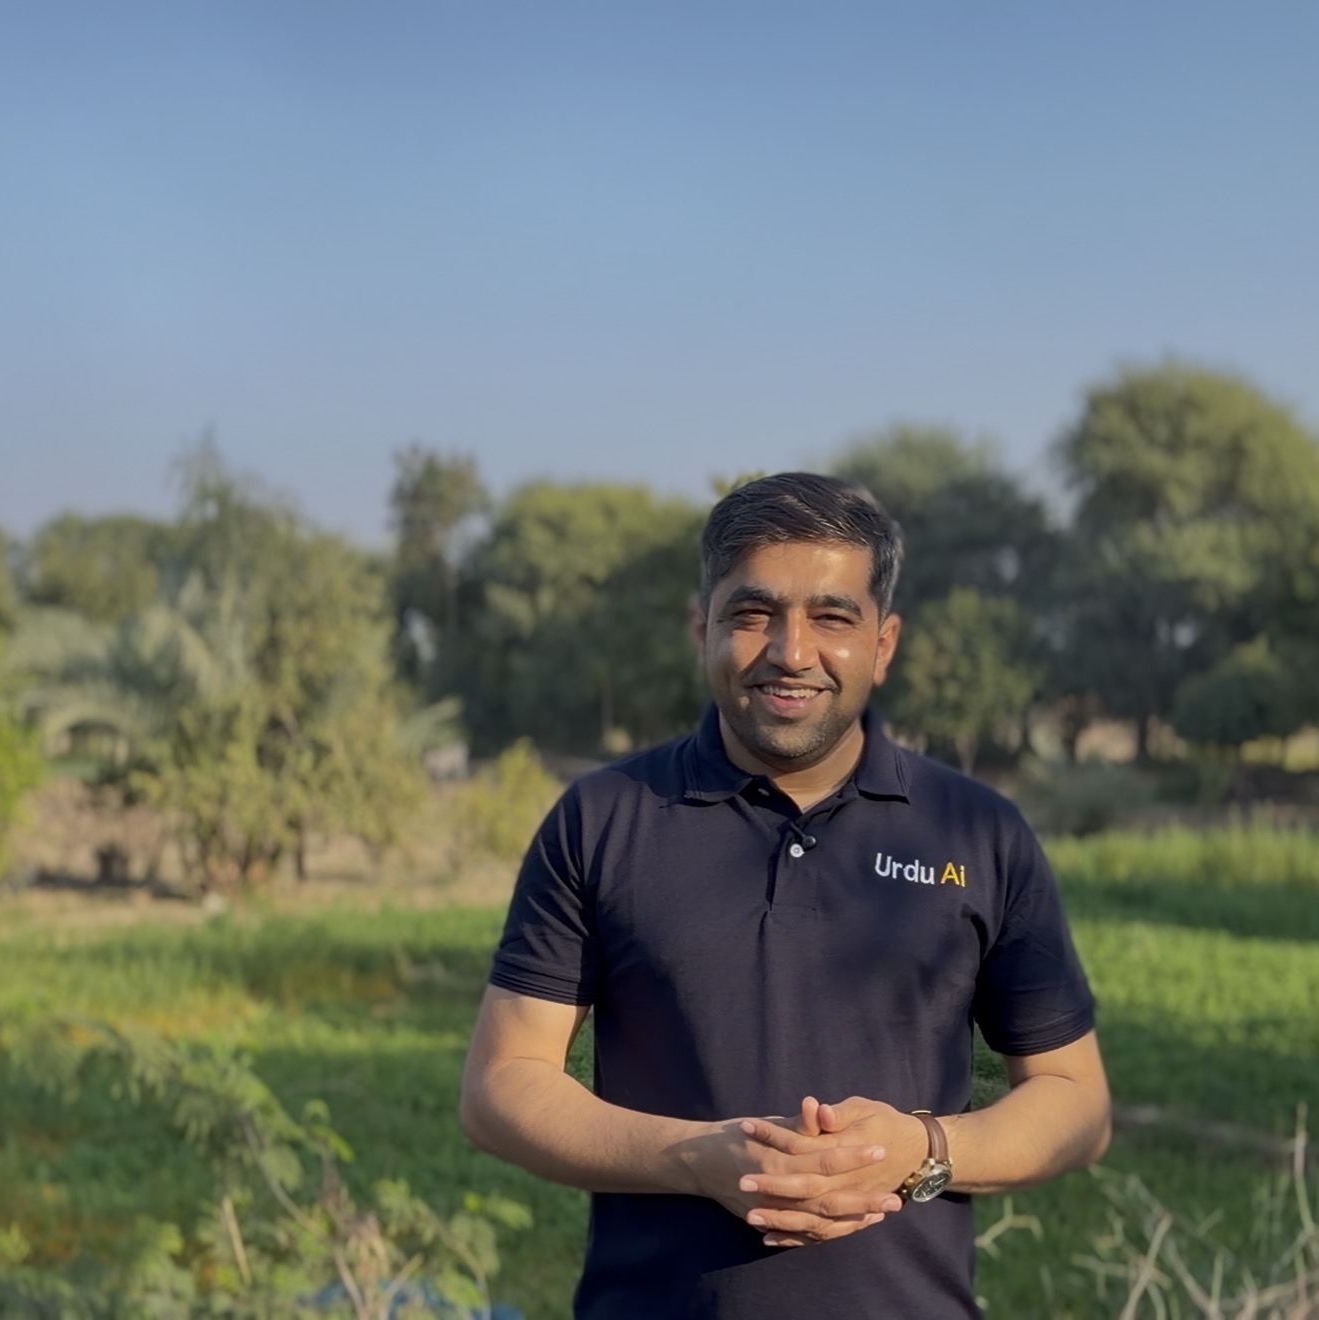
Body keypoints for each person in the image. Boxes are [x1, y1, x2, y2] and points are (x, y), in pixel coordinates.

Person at [458, 473, 1109, 1317]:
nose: (791, 652)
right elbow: (503, 1084)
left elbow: (1076, 1101)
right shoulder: (604, 819)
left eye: (833, 617)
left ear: (884, 643)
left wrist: (922, 1147)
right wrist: (692, 1156)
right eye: (753, 613)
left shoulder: (977, 830)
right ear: (703, 630)